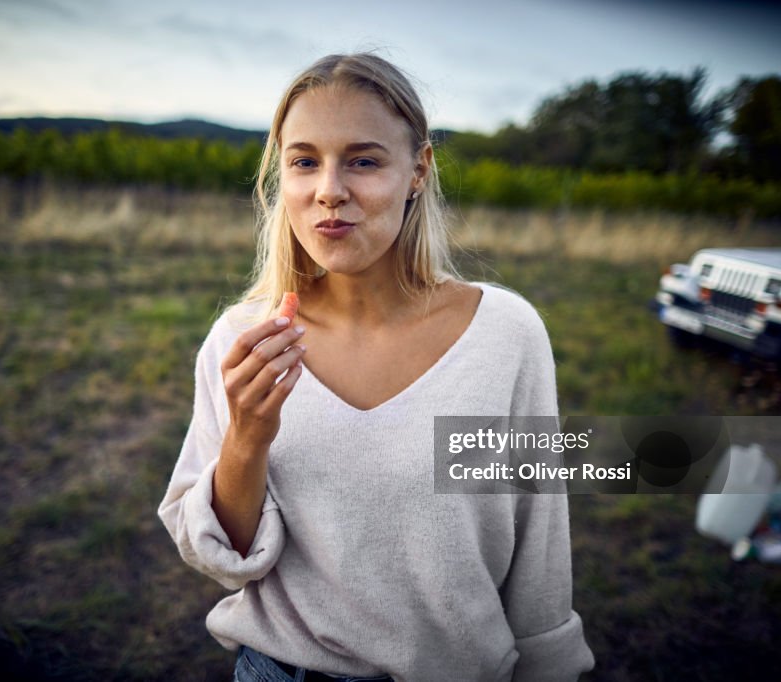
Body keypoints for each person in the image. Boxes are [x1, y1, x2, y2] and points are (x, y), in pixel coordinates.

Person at [159, 53, 595, 682]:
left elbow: (539, 541)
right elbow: (223, 559)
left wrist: (551, 667)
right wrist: (248, 436)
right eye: (304, 161)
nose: (329, 190)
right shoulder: (242, 340)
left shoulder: (505, 335)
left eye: (363, 160)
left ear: (418, 171)